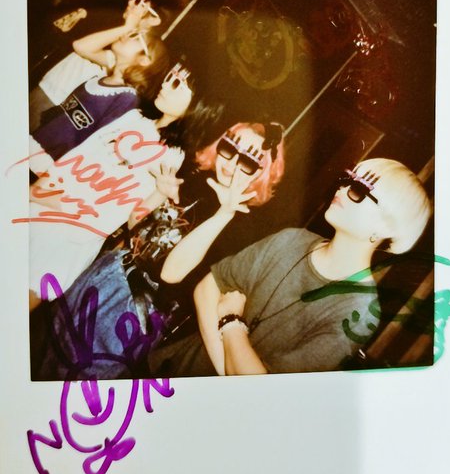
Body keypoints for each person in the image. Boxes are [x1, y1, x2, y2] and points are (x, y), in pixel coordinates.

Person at [33, 122, 285, 380]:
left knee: (73, 376)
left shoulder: (243, 225)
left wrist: (224, 213)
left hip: (134, 307)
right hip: (107, 272)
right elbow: (135, 225)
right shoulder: (197, 179)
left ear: (262, 172)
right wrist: (159, 193)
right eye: (229, 148)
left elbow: (171, 273)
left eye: (248, 161)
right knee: (46, 345)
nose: (231, 162)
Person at [145, 157, 432, 377]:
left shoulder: (357, 311)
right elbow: (207, 289)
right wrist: (229, 373)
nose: (343, 189)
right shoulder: (292, 239)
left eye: (359, 190)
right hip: (163, 372)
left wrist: (231, 322)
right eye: (347, 179)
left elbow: (264, 389)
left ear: (386, 226)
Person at [28, 60, 221, 310]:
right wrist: (38, 190)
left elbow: (113, 214)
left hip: (66, 237)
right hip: (39, 206)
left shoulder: (170, 156)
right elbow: (77, 157)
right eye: (170, 76)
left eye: (178, 84)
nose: (166, 85)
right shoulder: (135, 116)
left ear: (197, 107)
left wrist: (160, 194)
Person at [29, 0, 169, 173]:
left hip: (57, 112)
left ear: (154, 19)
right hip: (52, 101)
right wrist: (127, 25)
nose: (132, 6)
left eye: (140, 4)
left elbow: (96, 139)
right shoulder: (118, 30)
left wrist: (129, 27)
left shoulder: (131, 55)